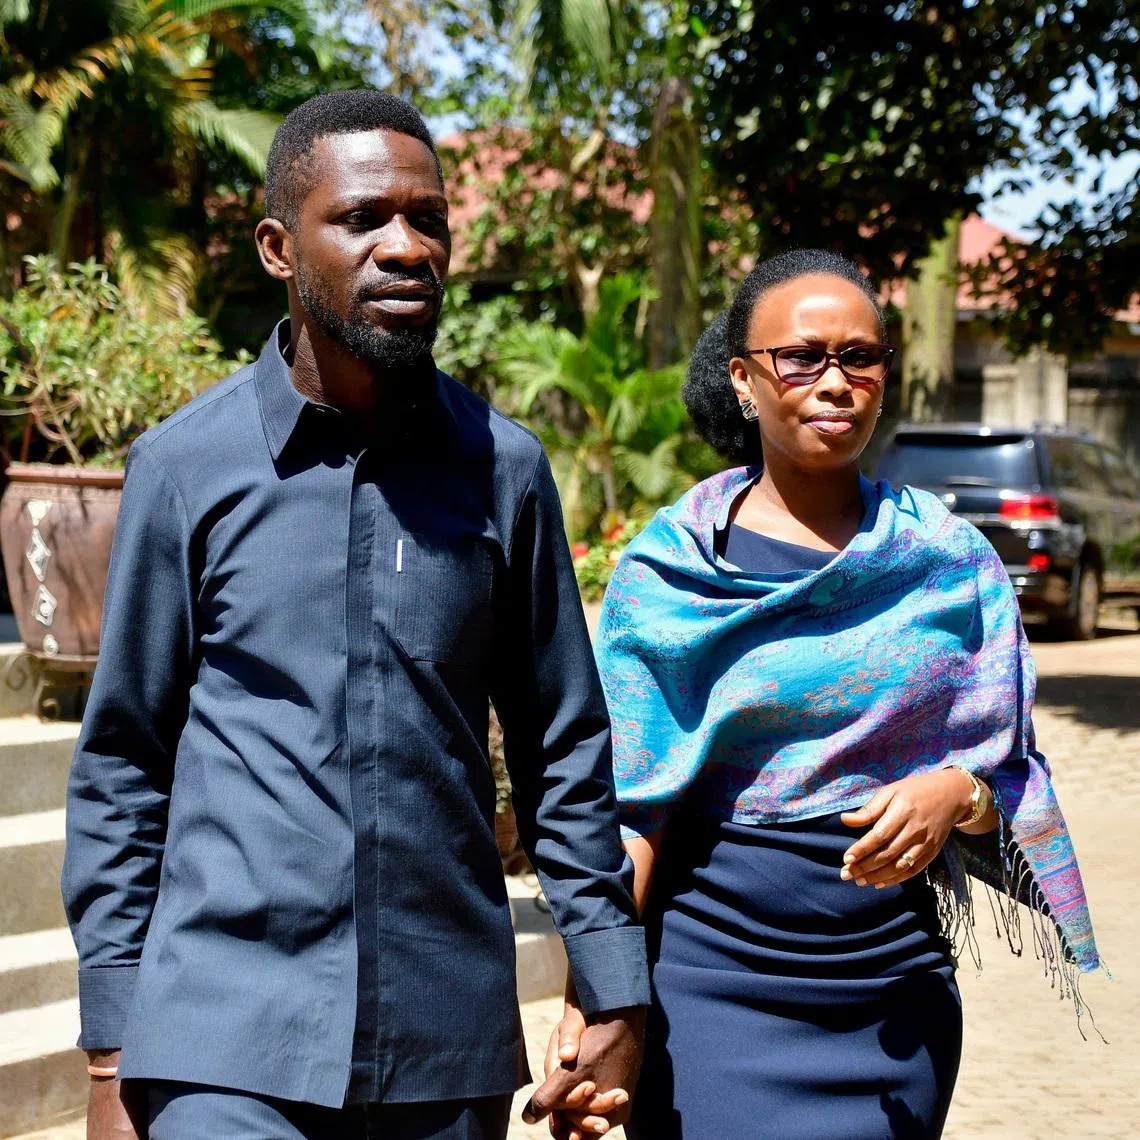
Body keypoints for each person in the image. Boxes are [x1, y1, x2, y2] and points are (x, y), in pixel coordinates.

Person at [62, 89, 647, 1140]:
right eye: (366, 218)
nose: (407, 247)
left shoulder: (503, 470)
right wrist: (112, 1050)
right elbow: (125, 758)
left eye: (429, 220)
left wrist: (611, 982)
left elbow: (565, 742)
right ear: (280, 247)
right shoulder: (186, 470)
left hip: (441, 1044)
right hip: (221, 1040)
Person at [549, 250, 1100, 1139]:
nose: (835, 381)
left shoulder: (947, 563)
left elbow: (1008, 776)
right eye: (801, 357)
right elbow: (631, 809)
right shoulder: (674, 572)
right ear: (743, 378)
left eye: (861, 357)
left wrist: (953, 793)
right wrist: (602, 1005)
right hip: (712, 979)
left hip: (891, 991)